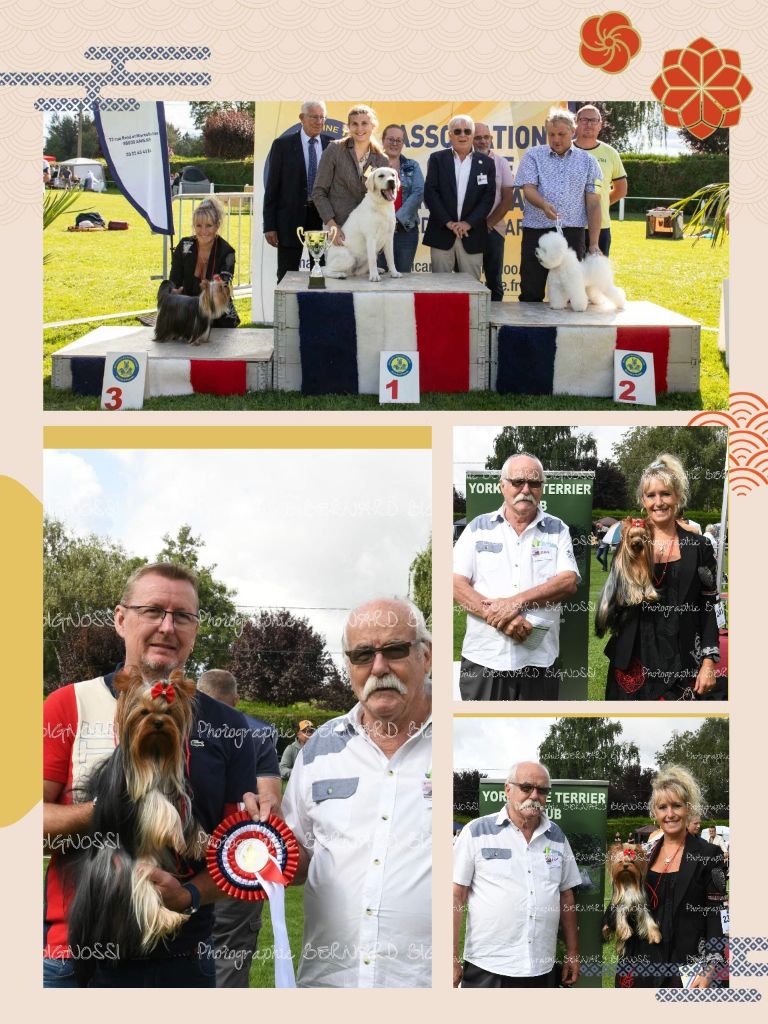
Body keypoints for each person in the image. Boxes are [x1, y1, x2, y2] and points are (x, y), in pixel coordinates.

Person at [43, 563, 259, 988]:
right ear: (121, 618)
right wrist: (112, 809)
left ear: (196, 628)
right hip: (75, 951)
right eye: (152, 610)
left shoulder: (231, 727)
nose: (167, 626)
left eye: (182, 616)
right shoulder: (65, 706)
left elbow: (243, 855)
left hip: (182, 954)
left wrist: (190, 893)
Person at [272, 597, 432, 988]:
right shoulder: (319, 748)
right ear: (349, 667)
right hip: (331, 984)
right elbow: (299, 853)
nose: (379, 667)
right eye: (362, 655)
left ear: (426, 656)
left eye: (394, 650)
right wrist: (258, 850)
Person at [453, 452, 580, 700]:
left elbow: (568, 582)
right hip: (484, 658)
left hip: (538, 659)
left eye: (534, 483)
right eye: (517, 482)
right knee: (482, 732)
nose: (526, 489)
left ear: (542, 488)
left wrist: (515, 603)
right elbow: (455, 584)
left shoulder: (557, 529)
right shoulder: (477, 527)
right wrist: (503, 618)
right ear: (502, 486)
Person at [602, 454, 720, 700]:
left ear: (677, 496)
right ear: (642, 500)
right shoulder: (630, 542)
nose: (659, 502)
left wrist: (709, 661)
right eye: (651, 495)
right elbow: (612, 603)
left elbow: (709, 606)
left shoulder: (699, 547)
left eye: (665, 494)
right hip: (634, 657)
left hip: (683, 656)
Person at [453, 761, 580, 988]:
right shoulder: (476, 832)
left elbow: (566, 896)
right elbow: (455, 896)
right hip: (488, 968)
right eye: (526, 787)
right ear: (508, 789)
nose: (534, 795)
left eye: (542, 790)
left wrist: (572, 952)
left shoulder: (557, 837)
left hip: (541, 967)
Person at [197, 669, 280, 988]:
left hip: (179, 865)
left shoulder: (175, 722)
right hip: (238, 864)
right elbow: (270, 802)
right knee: (230, 955)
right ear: (237, 700)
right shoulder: (258, 733)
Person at [613, 765, 727, 988]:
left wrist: (710, 968)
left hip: (686, 970)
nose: (670, 814)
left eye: (677, 806)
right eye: (662, 807)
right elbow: (624, 901)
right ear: (654, 813)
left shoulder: (709, 855)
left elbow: (715, 916)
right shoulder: (643, 854)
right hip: (641, 968)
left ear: (688, 808)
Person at [513, 107, 602, 302]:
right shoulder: (533, 155)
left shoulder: (589, 162)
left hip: (572, 232)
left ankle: (569, 332)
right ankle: (529, 330)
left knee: (572, 292)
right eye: (551, 134)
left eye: (561, 134)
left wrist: (594, 243)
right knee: (531, 290)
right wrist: (544, 205)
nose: (556, 139)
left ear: (573, 131)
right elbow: (528, 189)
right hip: (537, 231)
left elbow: (594, 204)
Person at [263, 100, 333, 281]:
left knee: (321, 275)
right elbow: (272, 187)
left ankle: (318, 309)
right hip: (289, 221)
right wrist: (269, 225)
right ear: (302, 118)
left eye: (322, 117)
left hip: (322, 219)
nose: (318, 121)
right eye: (314, 117)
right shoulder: (282, 145)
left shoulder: (332, 146)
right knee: (287, 275)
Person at [423, 114, 496, 280]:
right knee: (440, 289)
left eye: (467, 131)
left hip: (472, 234)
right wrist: (448, 223)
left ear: (472, 134)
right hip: (442, 233)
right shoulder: (437, 159)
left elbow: (488, 198)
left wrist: (468, 223)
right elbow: (431, 193)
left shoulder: (486, 163)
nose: (462, 135)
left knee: (471, 291)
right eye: (457, 131)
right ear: (450, 135)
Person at [311, 104, 389, 246]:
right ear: (348, 127)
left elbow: (381, 198)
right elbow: (318, 191)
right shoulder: (334, 149)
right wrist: (332, 225)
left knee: (364, 269)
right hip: (337, 229)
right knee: (337, 268)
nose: (359, 129)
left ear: (373, 126)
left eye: (364, 123)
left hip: (367, 234)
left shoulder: (381, 159)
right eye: (355, 124)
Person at [168, 196, 240, 327]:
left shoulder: (227, 252)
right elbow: (174, 279)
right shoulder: (185, 245)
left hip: (217, 315)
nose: (203, 231)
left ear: (217, 226)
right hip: (186, 312)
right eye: (199, 226)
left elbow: (223, 285)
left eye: (209, 226)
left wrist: (214, 289)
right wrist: (173, 291)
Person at [573, 105, 627, 256]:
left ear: (600, 125)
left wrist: (596, 205)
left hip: (600, 227)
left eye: (593, 120)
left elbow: (621, 189)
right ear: (576, 123)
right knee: (570, 278)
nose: (589, 124)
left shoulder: (611, 153)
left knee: (596, 278)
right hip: (570, 226)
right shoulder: (565, 150)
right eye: (584, 120)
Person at [473, 121, 514, 301]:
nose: (482, 141)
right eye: (478, 138)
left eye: (486, 137)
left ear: (490, 138)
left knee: (494, 282)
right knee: (466, 280)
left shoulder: (501, 163)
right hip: (468, 230)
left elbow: (507, 200)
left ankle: (494, 324)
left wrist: (488, 224)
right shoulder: (463, 162)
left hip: (494, 230)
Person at [376, 123, 424, 273]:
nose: (394, 144)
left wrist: (396, 219)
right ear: (382, 140)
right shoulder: (372, 166)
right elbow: (365, 193)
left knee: (402, 278)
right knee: (378, 278)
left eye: (398, 140)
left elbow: (418, 192)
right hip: (378, 230)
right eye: (390, 139)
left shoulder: (412, 166)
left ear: (403, 143)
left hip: (405, 232)